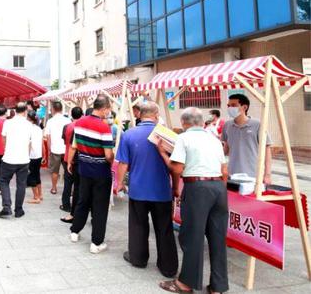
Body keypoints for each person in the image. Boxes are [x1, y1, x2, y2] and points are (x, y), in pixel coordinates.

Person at [156, 107, 228, 294]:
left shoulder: (183, 138)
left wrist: (163, 153)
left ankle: (185, 284)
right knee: (218, 238)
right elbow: (224, 170)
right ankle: (218, 286)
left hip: (198, 188)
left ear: (184, 123)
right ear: (201, 121)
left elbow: (177, 169)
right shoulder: (214, 139)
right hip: (219, 188)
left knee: (192, 236)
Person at [115, 101, 178, 278]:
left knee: (137, 225)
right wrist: (175, 187)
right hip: (161, 191)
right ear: (157, 115)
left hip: (138, 189)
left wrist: (118, 183)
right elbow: (175, 166)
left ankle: (138, 258)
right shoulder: (167, 136)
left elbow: (123, 163)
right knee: (164, 228)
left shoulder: (129, 135)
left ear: (139, 115)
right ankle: (168, 267)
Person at [67, 95, 114, 254]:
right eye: (109, 109)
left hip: (84, 169)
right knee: (99, 207)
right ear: (105, 108)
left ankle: (75, 231)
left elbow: (75, 145)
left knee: (82, 200)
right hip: (101, 172)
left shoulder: (79, 123)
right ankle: (96, 242)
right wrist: (112, 159)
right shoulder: (104, 127)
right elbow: (108, 155)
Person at [222, 93, 272, 182]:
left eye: (233, 105)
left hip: (253, 175)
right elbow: (225, 150)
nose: (230, 108)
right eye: (228, 106)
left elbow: (267, 149)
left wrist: (267, 174)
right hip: (232, 174)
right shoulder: (227, 125)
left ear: (244, 107)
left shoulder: (258, 124)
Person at [0, 102, 33, 218]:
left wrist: (7, 149)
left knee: (3, 181)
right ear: (25, 111)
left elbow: (3, 138)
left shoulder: (8, 122)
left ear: (14, 111)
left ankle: (7, 207)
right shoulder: (29, 125)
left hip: (9, 158)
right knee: (21, 184)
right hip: (24, 159)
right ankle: (18, 210)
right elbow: (29, 143)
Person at [60, 106, 83, 221]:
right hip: (78, 159)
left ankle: (65, 204)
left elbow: (65, 141)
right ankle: (76, 207)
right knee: (78, 185)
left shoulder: (66, 126)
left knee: (68, 183)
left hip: (67, 156)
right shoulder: (82, 126)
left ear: (71, 115)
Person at [44, 101, 71, 195]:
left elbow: (48, 137)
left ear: (53, 109)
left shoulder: (50, 121)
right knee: (68, 170)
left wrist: (49, 150)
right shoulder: (67, 120)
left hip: (55, 149)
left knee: (54, 171)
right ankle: (70, 189)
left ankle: (54, 188)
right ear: (62, 109)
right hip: (66, 149)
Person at [26, 111, 43, 204]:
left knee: (31, 176)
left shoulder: (28, 128)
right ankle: (40, 195)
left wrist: (26, 156)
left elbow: (29, 143)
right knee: (37, 174)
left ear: (28, 118)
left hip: (31, 156)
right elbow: (41, 143)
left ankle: (36, 197)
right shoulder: (38, 128)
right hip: (39, 155)